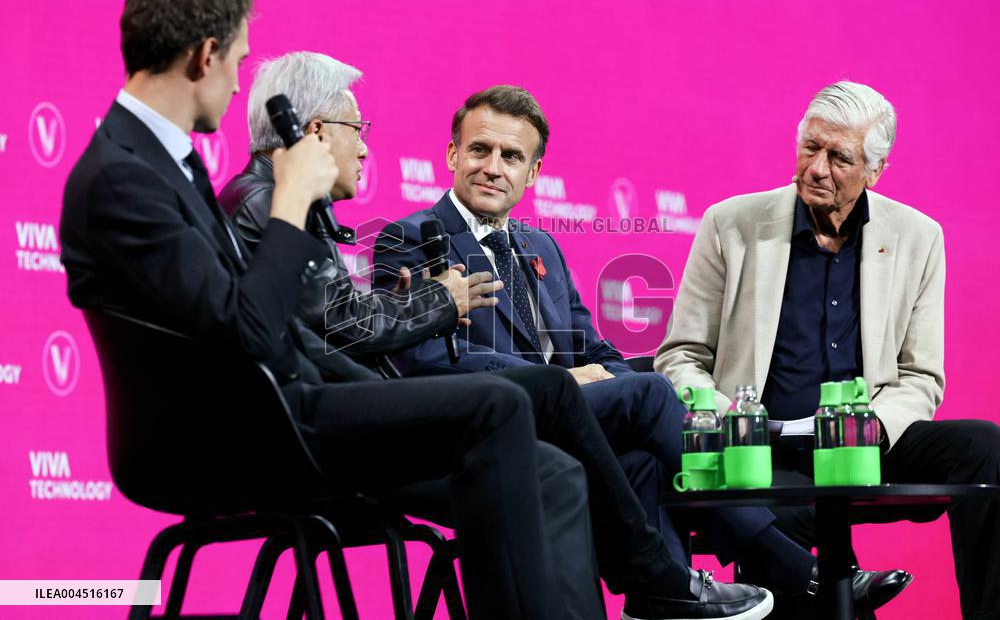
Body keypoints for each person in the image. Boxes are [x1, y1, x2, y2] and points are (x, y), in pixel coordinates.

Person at [59, 0, 773, 618]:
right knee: (509, 402)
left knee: (550, 455)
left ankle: (659, 579)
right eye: (240, 62)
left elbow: (288, 333)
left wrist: (369, 376)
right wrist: (292, 207)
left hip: (294, 397)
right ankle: (664, 576)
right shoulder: (131, 176)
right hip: (243, 433)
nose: (242, 82)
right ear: (204, 55)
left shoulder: (160, 163)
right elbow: (251, 328)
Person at [371, 84, 909, 612]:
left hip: (557, 423)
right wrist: (561, 382)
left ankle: (662, 599)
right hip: (481, 426)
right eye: (480, 150)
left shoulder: (541, 248)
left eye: (512, 157)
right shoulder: (411, 237)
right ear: (451, 154)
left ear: (532, 173)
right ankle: (788, 562)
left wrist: (601, 375)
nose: (493, 167)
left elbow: (592, 348)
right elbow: (426, 361)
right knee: (651, 394)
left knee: (641, 455)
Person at [656, 80, 1000, 619]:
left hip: (870, 443)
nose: (816, 169)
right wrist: (732, 420)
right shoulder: (731, 225)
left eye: (839, 157)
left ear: (875, 170)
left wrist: (872, 428)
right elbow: (680, 357)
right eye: (810, 148)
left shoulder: (917, 237)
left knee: (985, 448)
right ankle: (833, 589)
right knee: (785, 512)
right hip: (762, 450)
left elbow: (921, 376)